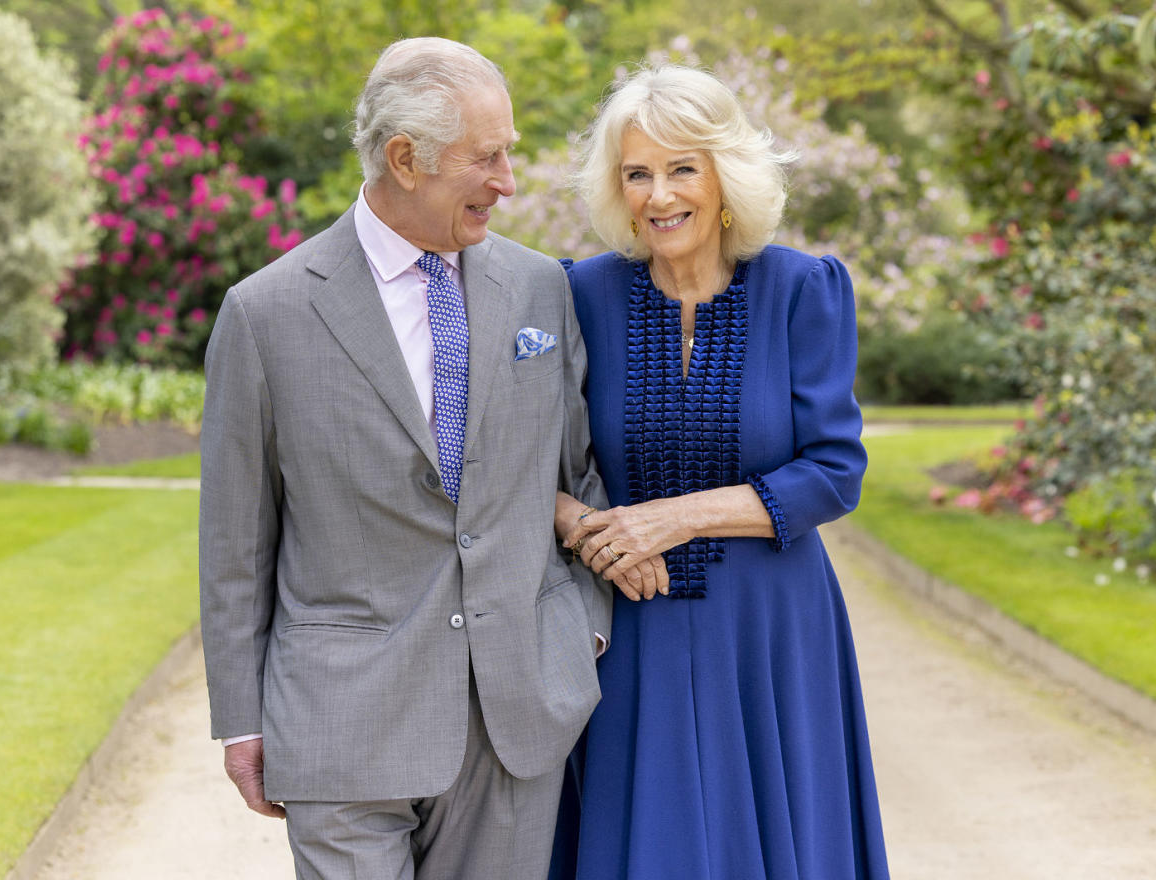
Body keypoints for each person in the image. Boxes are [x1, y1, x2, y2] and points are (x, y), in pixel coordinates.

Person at [199, 37, 645, 880]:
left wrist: (576, 631)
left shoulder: (541, 287)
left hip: (516, 713)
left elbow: (577, 471)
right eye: (488, 156)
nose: (508, 181)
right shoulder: (266, 315)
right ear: (404, 159)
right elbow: (236, 541)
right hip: (342, 726)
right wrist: (242, 719)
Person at [549, 65, 890, 879]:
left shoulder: (804, 288)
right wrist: (583, 528)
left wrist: (679, 515)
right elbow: (522, 459)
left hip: (774, 631)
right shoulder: (577, 294)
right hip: (632, 624)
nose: (659, 195)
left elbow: (836, 470)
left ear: (724, 178)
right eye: (637, 173)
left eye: (681, 169)